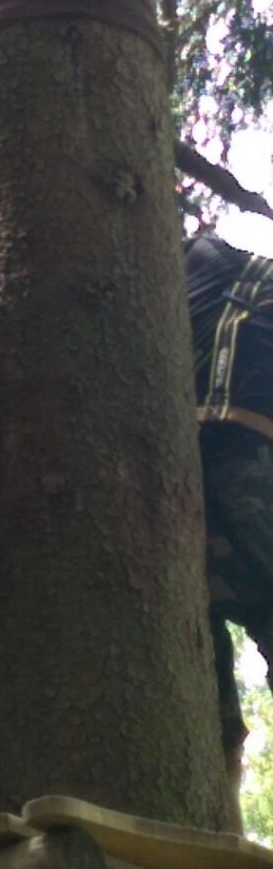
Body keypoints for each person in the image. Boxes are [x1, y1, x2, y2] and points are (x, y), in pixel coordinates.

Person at [185, 233, 273, 830]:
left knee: (207, 707)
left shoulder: (200, 268)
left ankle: (222, 836)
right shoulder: (228, 270)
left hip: (181, 486)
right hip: (247, 472)